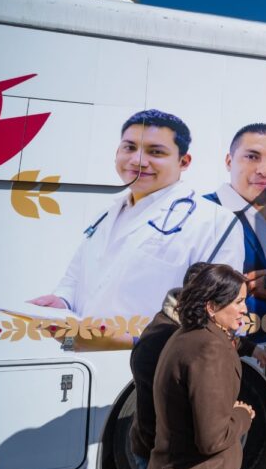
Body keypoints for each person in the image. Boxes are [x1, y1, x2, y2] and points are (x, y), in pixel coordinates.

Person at [28, 110, 244, 337]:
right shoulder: (107, 215)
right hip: (86, 355)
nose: (138, 160)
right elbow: (74, 279)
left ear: (184, 161)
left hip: (153, 364)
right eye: (129, 148)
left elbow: (221, 313)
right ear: (117, 152)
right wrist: (61, 301)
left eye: (156, 152)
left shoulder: (214, 222)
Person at [129, 262, 266, 469]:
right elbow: (211, 439)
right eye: (238, 301)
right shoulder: (207, 350)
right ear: (211, 306)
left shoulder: (183, 332)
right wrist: (242, 415)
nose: (245, 309)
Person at [204, 123, 266, 342]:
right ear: (229, 161)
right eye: (252, 157)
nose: (265, 170)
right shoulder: (204, 213)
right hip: (222, 345)